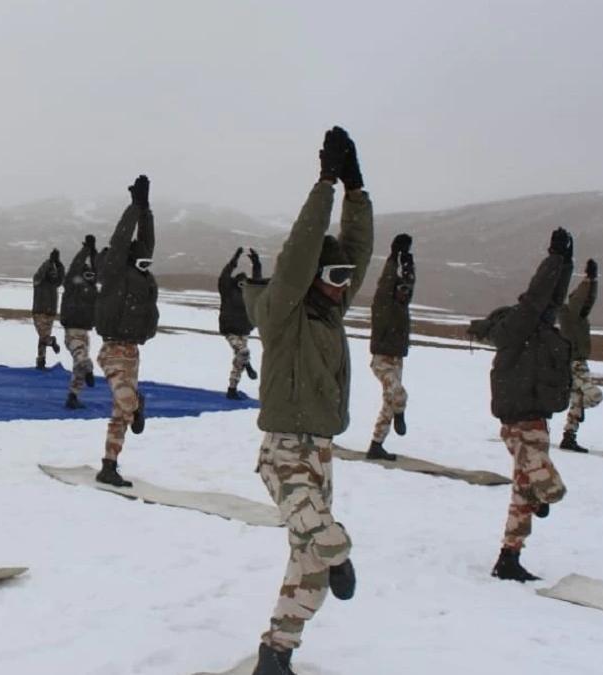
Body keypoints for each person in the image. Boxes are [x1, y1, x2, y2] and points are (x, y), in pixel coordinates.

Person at [241, 128, 371, 675]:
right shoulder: (284, 312)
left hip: (320, 453)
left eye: (347, 279)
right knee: (327, 540)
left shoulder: (329, 311)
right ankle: (338, 556)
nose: (344, 286)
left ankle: (277, 653)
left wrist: (356, 189)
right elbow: (298, 255)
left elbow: (358, 253)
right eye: (334, 276)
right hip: (284, 452)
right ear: (312, 279)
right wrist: (323, 186)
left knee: (309, 567)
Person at [467, 228, 573, 583]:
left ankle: (508, 557)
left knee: (522, 494)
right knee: (548, 487)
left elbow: (550, 301)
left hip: (535, 421)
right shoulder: (517, 327)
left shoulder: (534, 328)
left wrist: (567, 264)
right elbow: (536, 298)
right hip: (521, 423)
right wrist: (554, 259)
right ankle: (541, 498)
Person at [93, 175, 158, 488]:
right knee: (126, 400)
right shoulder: (116, 272)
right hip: (112, 349)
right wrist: (133, 208)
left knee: (120, 413)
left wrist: (146, 209)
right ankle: (137, 404)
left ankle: (109, 465)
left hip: (132, 350)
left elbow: (146, 243)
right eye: (141, 259)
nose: (147, 262)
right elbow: (121, 242)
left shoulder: (142, 274)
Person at [366, 233, 415, 460]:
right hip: (381, 360)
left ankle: (376, 445)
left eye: (406, 291)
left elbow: (410, 281)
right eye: (401, 290)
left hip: (397, 359)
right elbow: (386, 280)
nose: (404, 293)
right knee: (398, 393)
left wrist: (408, 261)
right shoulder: (384, 304)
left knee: (388, 402)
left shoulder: (403, 307)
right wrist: (394, 256)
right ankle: (400, 414)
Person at [558, 258, 603, 452]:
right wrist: (588, 280)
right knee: (594, 396)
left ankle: (569, 437)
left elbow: (587, 301)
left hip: (576, 362)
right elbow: (580, 300)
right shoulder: (570, 314)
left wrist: (593, 282)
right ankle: (574, 416)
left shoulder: (577, 317)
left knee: (576, 401)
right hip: (575, 363)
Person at [59, 234, 100, 408]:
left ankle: (73, 396)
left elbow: (100, 269)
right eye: (87, 274)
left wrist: (94, 254)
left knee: (78, 367)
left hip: (85, 332)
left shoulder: (93, 291)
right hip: (72, 331)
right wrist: (86, 250)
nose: (90, 277)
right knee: (82, 359)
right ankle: (89, 370)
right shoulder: (72, 284)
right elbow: (75, 266)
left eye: (92, 275)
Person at [217, 246, 261, 400]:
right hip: (230, 331)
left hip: (244, 330)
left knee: (239, 360)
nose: (243, 286)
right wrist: (235, 259)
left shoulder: (250, 292)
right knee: (243, 352)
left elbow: (257, 280)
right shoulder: (227, 290)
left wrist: (256, 262)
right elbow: (224, 276)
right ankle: (248, 365)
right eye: (240, 283)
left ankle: (232, 389)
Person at [31, 249, 65, 369]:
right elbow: (40, 273)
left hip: (50, 313)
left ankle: (41, 361)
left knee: (42, 338)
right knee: (44, 337)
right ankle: (52, 342)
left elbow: (61, 277)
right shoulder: (38, 281)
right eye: (51, 272)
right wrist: (49, 262)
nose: (53, 275)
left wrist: (59, 264)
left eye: (54, 273)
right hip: (39, 312)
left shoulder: (54, 284)